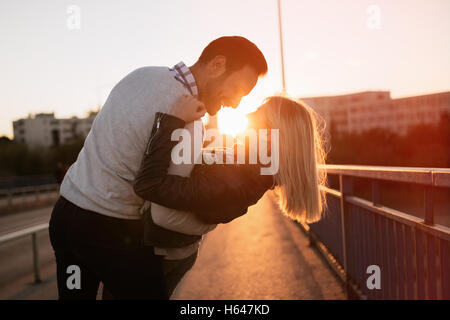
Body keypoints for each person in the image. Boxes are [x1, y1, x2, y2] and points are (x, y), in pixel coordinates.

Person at [48, 36, 268, 300]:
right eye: (238, 90)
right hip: (109, 229)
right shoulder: (187, 118)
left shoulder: (141, 75)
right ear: (218, 64)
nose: (235, 103)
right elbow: (165, 199)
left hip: (65, 216)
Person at [132, 94, 329, 297]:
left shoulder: (240, 179)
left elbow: (150, 185)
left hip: (160, 254)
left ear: (272, 135)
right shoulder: (246, 168)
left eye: (258, 115)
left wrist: (172, 120)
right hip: (162, 247)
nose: (248, 115)